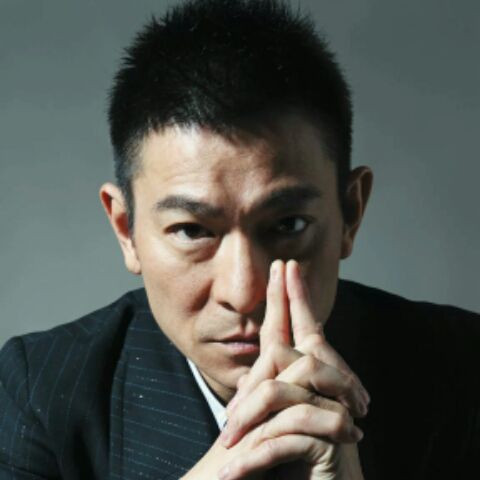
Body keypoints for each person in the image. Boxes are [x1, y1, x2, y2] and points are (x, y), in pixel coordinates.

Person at [0, 0, 478, 479]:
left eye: (287, 226)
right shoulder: (40, 392)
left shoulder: (462, 371)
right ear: (127, 230)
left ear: (350, 214)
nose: (244, 292)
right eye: (192, 231)